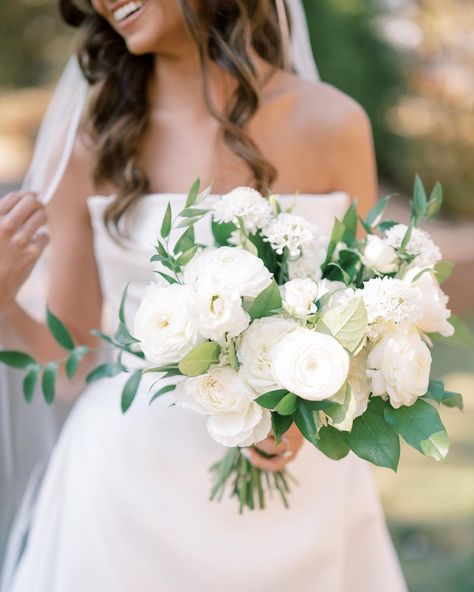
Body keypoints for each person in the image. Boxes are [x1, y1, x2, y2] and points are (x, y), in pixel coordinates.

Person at [0, 1, 407, 590]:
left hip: (299, 492)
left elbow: (368, 316)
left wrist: (304, 416)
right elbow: (71, 363)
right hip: (127, 496)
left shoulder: (332, 124)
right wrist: (4, 301)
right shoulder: (90, 138)